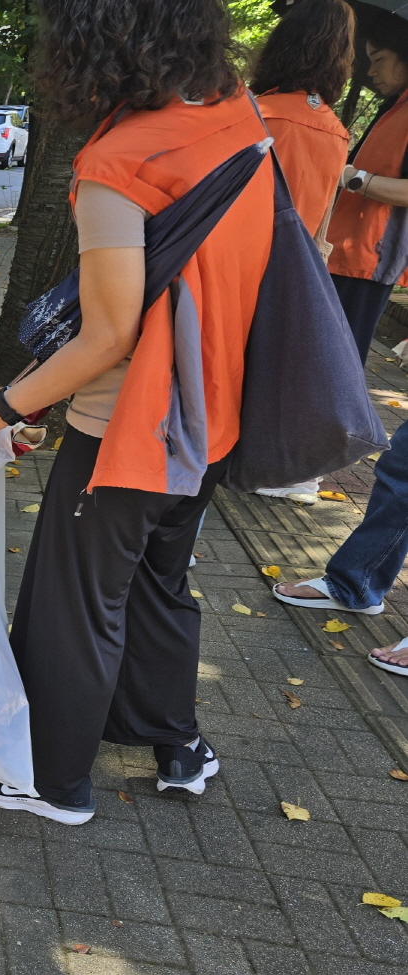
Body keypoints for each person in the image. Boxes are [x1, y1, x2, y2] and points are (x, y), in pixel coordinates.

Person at [0, 0, 275, 824]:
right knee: (157, 585)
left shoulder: (119, 160)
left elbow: (112, 331)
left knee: (73, 602)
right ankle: (162, 732)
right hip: (212, 417)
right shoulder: (237, 118)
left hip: (130, 429)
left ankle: (50, 779)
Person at [273, 11, 408, 675]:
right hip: (353, 256)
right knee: (402, 466)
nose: (371, 68)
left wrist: (354, 180)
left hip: (369, 257)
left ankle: (306, 474)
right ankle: (358, 580)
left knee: (342, 377)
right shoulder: (396, 107)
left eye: (380, 58)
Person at [250, 0, 356, 506]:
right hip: (300, 267)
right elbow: (325, 213)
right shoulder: (336, 131)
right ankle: (285, 467)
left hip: (244, 261)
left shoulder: (256, 114)